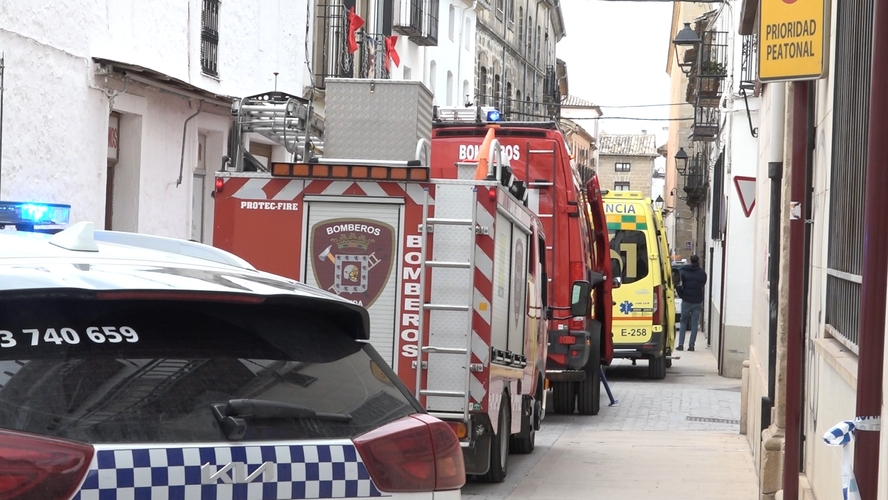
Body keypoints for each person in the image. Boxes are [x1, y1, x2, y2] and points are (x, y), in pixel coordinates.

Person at [676, 254, 707, 351]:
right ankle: (691, 345)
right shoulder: (702, 273)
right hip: (697, 301)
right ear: (698, 261)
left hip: (686, 300)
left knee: (683, 322)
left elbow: (678, 285)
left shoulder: (684, 271)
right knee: (694, 323)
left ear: (690, 260)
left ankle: (681, 345)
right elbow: (703, 284)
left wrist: (682, 295)